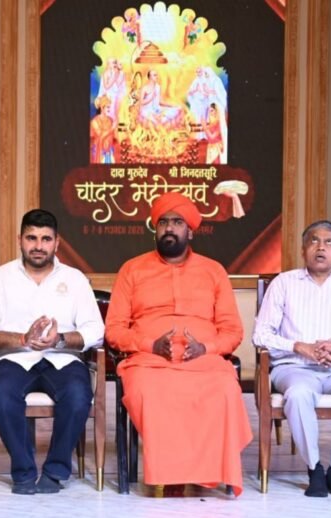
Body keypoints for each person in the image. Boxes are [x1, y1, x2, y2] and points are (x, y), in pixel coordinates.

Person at [105, 193, 251, 495]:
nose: (169, 228)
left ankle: (204, 473)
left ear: (190, 231)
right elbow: (114, 330)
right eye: (163, 222)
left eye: (177, 222)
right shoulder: (132, 269)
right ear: (155, 229)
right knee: (149, 391)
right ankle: (170, 477)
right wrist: (150, 345)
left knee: (224, 390)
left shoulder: (214, 271)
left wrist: (206, 348)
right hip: (148, 361)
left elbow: (232, 330)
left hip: (203, 360)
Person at [0, 209, 104, 494]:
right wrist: (22, 338)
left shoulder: (75, 279)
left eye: (46, 239)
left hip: (63, 358)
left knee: (78, 395)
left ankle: (55, 472)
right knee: (2, 397)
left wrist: (60, 340)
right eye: (31, 238)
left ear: (57, 243)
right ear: (19, 240)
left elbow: (95, 329)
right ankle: (23, 471)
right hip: (14, 357)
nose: (38, 246)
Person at [252, 220, 331, 498]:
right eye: (314, 241)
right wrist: (299, 347)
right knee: (298, 395)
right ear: (303, 250)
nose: (320, 247)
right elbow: (261, 335)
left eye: (329, 242)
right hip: (294, 366)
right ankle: (314, 469)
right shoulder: (284, 283)